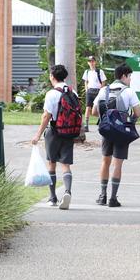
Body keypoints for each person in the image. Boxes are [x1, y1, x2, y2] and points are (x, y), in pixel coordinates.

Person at [92, 63, 140, 207]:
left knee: (105, 162)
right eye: (130, 76)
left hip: (107, 131)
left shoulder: (103, 90)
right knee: (117, 164)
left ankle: (102, 195)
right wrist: (128, 120)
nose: (130, 80)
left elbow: (95, 112)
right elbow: (137, 113)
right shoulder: (129, 91)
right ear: (124, 76)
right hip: (122, 132)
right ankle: (113, 198)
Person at [31, 64, 76, 210]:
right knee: (66, 164)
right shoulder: (72, 92)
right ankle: (67, 191)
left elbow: (46, 116)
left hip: (54, 131)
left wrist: (38, 135)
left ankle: (53, 197)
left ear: (52, 76)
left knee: (51, 163)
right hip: (69, 132)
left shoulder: (51, 94)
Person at [82, 56, 107, 133]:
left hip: (98, 91)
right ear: (88, 63)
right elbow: (86, 81)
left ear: (95, 62)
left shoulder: (99, 71)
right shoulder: (87, 72)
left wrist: (101, 90)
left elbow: (103, 82)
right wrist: (86, 89)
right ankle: (86, 125)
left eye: (92, 61)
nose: (91, 63)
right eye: (90, 61)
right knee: (88, 107)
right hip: (90, 91)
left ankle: (102, 120)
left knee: (99, 107)